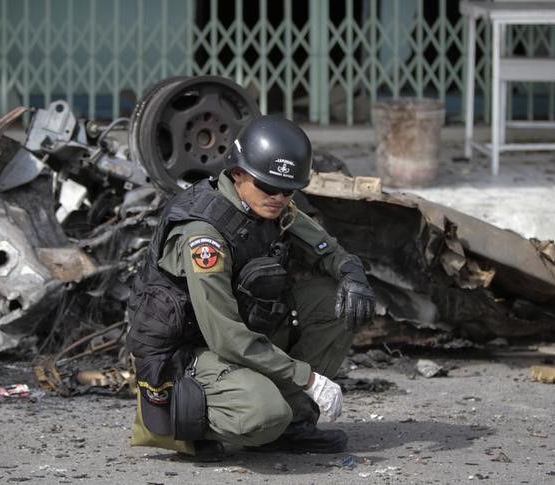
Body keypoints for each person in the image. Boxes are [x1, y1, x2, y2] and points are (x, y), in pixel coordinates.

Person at [126, 115, 376, 461]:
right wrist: (308, 379)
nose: (278, 197)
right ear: (238, 174)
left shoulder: (270, 204)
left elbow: (328, 251)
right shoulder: (204, 236)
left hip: (242, 328)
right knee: (264, 414)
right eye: (268, 187)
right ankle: (193, 421)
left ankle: (293, 425)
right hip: (191, 351)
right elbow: (226, 336)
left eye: (288, 190)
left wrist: (352, 274)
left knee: (337, 301)